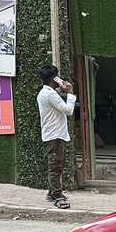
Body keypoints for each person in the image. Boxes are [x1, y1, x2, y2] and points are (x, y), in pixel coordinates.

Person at [37, 65, 76, 209]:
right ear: (54, 79)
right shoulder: (50, 94)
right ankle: (57, 195)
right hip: (55, 134)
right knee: (55, 166)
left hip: (53, 133)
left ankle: (51, 193)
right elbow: (68, 110)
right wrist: (69, 92)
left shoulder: (46, 92)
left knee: (55, 164)